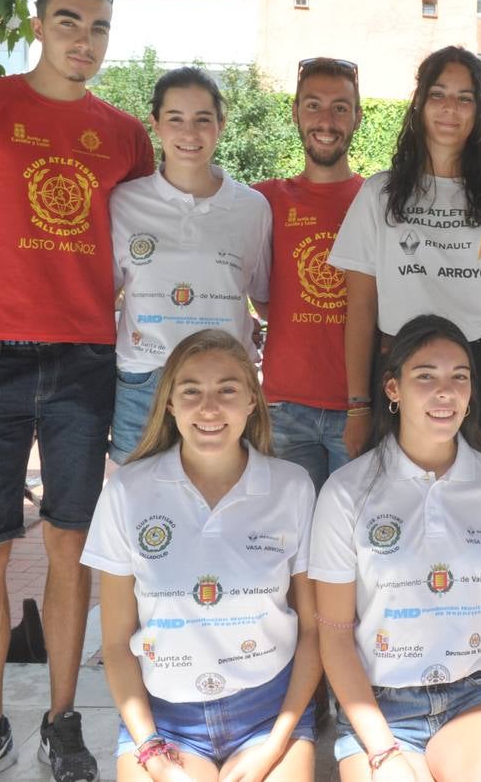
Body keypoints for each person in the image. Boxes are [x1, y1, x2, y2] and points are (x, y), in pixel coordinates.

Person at [0, 0, 155, 782]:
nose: (82, 41)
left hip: (89, 362)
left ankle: (61, 721)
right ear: (39, 22)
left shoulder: (126, 135)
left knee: (70, 547)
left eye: (97, 28)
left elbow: (146, 254)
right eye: (68, 22)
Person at [310, 314, 481, 782]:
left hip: (474, 698)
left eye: (460, 377)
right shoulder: (346, 491)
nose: (446, 392)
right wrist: (381, 749)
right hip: (379, 704)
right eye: (425, 376)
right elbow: (333, 633)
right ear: (392, 390)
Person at [82, 329, 318, 782]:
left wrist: (274, 746)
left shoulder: (292, 487)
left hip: (267, 713)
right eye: (191, 391)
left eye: (227, 389)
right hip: (164, 721)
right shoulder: (127, 492)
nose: (209, 408)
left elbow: (313, 632)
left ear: (252, 400)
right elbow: (115, 644)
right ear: (169, 403)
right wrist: (150, 749)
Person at [329, 46, 481, 470]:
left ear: (478, 111)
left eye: (465, 98)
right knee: (404, 502)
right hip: (402, 366)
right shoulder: (379, 194)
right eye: (438, 95)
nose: (451, 109)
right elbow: (360, 306)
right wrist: (358, 406)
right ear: (419, 105)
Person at [109, 67, 271, 464]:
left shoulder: (252, 208)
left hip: (226, 387)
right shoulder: (123, 202)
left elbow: (264, 299)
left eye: (203, 119)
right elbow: (103, 295)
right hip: (146, 378)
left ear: (221, 124)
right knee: (138, 506)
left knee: (223, 500)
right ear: (156, 124)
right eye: (175, 119)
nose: (189, 133)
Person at [255, 57, 364, 488]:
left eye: (340, 107)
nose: (326, 120)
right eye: (313, 105)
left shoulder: (378, 199)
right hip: (284, 409)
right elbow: (262, 297)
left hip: (357, 410)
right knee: (288, 543)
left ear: (357, 116)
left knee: (351, 545)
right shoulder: (263, 200)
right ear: (296, 112)